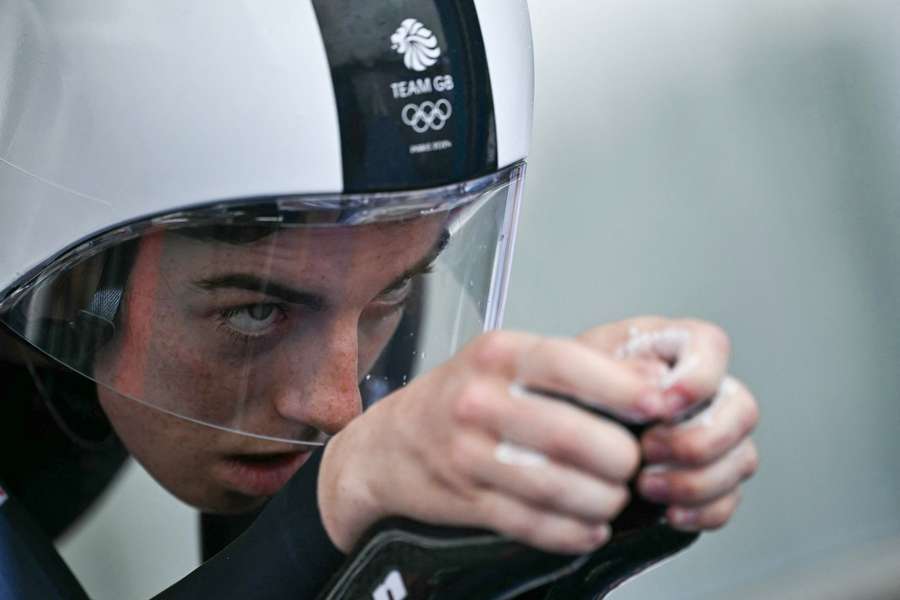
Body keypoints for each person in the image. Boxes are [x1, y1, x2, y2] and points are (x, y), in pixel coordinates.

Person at [0, 1, 759, 598]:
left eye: (393, 288)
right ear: (72, 282)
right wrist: (339, 504)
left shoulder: (344, 256)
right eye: (256, 312)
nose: (339, 406)